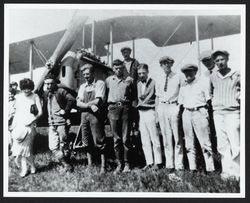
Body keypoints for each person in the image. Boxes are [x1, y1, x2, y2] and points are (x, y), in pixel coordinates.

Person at [178, 64, 215, 173]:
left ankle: (210, 168)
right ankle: (192, 168)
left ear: (195, 72)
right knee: (189, 143)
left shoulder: (202, 84)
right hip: (187, 113)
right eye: (186, 72)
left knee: (205, 142)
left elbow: (208, 100)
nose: (188, 74)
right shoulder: (183, 87)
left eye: (190, 72)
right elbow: (181, 103)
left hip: (199, 111)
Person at [210, 50, 240, 180]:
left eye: (222, 59)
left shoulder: (237, 74)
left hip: (233, 112)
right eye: (217, 61)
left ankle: (237, 172)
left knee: (235, 141)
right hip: (218, 113)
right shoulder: (212, 76)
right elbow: (210, 92)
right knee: (222, 143)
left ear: (227, 59)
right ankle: (226, 171)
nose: (220, 62)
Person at [155, 56, 184, 172]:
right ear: (161, 65)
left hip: (174, 106)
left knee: (177, 137)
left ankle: (179, 165)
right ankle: (169, 164)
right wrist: (157, 112)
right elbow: (157, 96)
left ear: (172, 64)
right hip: (162, 106)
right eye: (163, 63)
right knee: (166, 138)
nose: (166, 65)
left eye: (168, 63)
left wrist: (179, 108)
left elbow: (182, 93)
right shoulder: (159, 78)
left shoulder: (178, 76)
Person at [76, 64, 106, 173]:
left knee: (99, 139)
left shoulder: (100, 84)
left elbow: (98, 101)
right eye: (84, 74)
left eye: (87, 74)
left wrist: (87, 104)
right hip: (84, 115)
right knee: (86, 139)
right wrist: (89, 105)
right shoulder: (82, 86)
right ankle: (90, 163)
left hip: (95, 115)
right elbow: (78, 103)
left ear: (93, 73)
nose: (86, 76)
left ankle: (103, 165)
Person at [105, 59, 134, 173]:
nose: (118, 70)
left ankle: (127, 164)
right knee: (116, 138)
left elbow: (132, 95)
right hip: (113, 109)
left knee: (126, 138)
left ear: (123, 68)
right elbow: (106, 94)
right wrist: (108, 107)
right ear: (113, 69)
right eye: (116, 68)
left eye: (121, 68)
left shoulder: (128, 80)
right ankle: (119, 164)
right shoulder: (108, 80)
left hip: (125, 109)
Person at [43, 73, 76, 172]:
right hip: (51, 124)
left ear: (54, 83)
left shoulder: (61, 91)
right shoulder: (46, 94)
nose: (49, 86)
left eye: (50, 83)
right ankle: (66, 164)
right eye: (47, 84)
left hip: (61, 123)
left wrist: (65, 111)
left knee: (64, 144)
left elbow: (72, 99)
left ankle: (67, 166)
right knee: (52, 147)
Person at [11, 78, 42, 177]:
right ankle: (32, 167)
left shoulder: (35, 96)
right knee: (23, 149)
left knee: (26, 148)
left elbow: (40, 112)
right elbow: (16, 112)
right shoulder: (18, 97)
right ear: (22, 88)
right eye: (24, 88)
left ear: (32, 88)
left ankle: (25, 169)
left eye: (29, 88)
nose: (27, 90)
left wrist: (32, 121)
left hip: (30, 125)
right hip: (19, 124)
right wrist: (13, 125)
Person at [137, 63, 162, 170]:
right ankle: (149, 162)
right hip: (141, 113)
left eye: (143, 73)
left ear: (147, 72)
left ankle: (158, 162)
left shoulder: (154, 83)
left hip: (150, 111)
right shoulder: (138, 84)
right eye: (139, 73)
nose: (141, 75)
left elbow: (157, 99)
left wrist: (156, 114)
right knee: (145, 139)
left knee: (154, 138)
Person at [200, 50, 221, 171]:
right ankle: (215, 163)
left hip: (219, 105)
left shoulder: (219, 71)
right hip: (209, 107)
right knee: (211, 135)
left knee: (221, 135)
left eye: (208, 60)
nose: (206, 63)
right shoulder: (204, 75)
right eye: (204, 61)